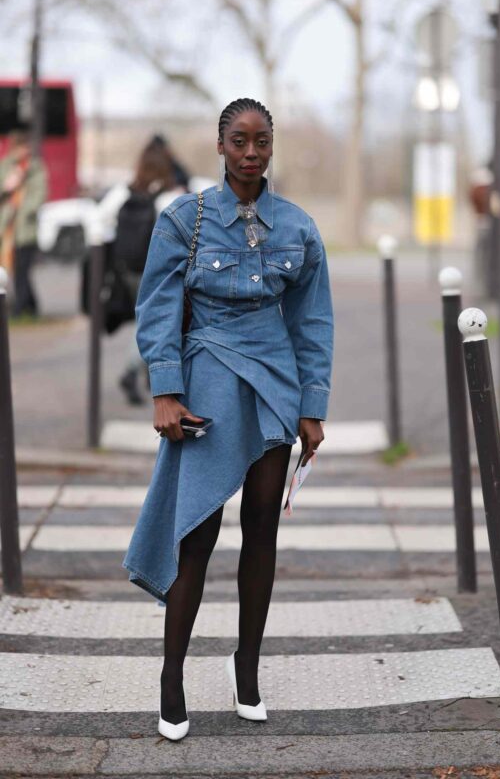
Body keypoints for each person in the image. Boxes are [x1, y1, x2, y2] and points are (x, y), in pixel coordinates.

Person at [121, 98, 334, 741]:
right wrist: (165, 391)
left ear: (272, 147)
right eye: (238, 140)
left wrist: (312, 407)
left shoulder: (298, 228)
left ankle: (247, 670)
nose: (250, 152)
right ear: (220, 146)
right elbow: (157, 307)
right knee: (196, 534)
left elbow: (311, 322)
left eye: (261, 140)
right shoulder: (183, 221)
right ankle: (172, 677)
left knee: (262, 527)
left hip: (274, 384)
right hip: (207, 379)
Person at [88, 141, 183, 404]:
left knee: (146, 322)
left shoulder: (124, 191)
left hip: (126, 270)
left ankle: (145, 373)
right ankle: (132, 371)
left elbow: (96, 220)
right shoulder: (169, 196)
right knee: (154, 324)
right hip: (156, 270)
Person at [0, 128, 47, 317]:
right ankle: (30, 306)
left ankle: (21, 309)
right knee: (14, 270)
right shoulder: (6, 167)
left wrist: (25, 210)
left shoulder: (35, 168)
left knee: (23, 270)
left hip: (26, 230)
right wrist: (7, 186)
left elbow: (39, 195)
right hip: (7, 229)